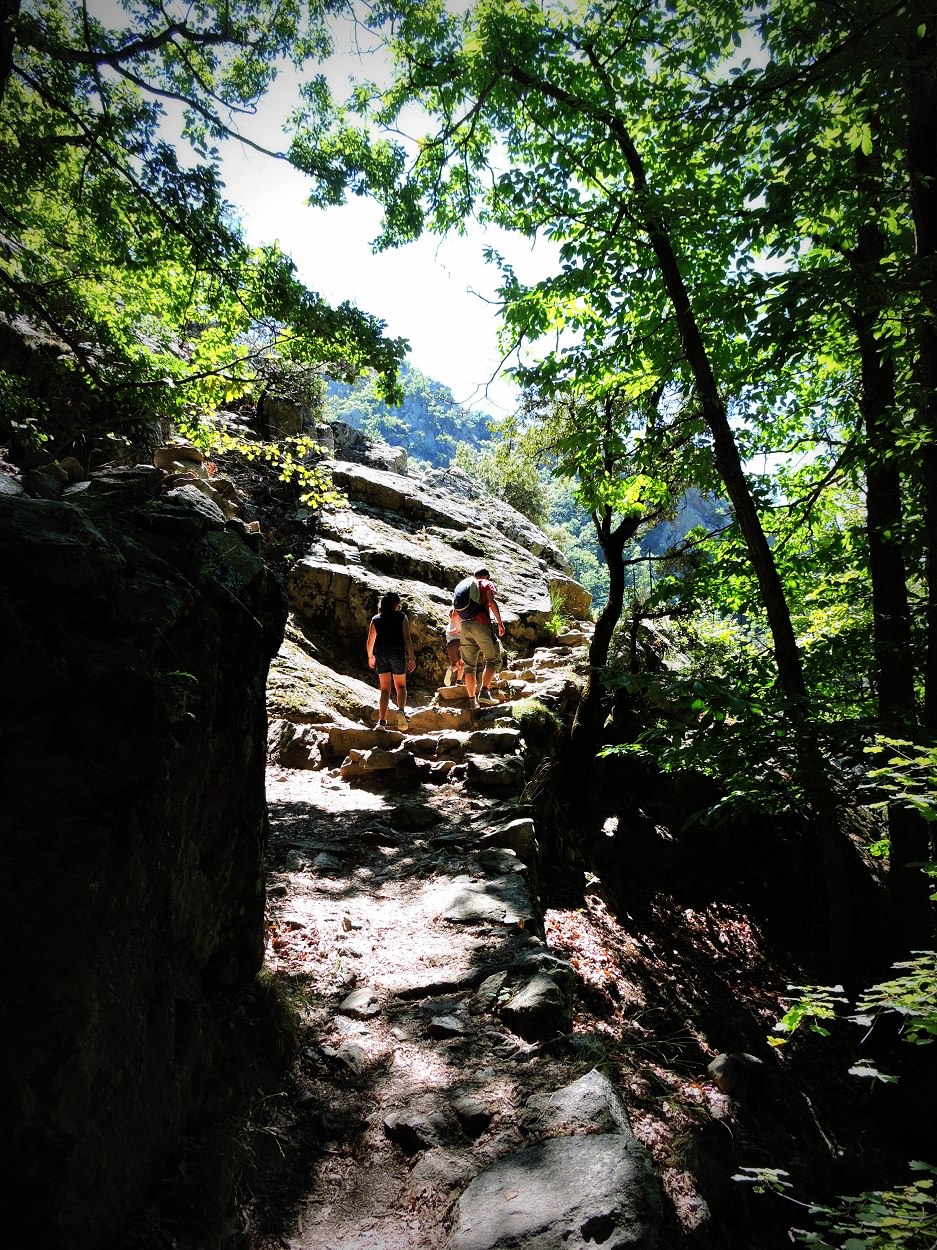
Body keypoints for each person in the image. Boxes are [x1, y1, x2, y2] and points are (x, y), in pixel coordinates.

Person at [365, 591, 416, 728]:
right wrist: (412, 657)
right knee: (401, 686)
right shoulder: (402, 617)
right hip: (397, 652)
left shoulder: (376, 619)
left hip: (381, 653)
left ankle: (381, 722)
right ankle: (401, 711)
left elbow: (370, 641)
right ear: (396, 604)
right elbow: (407, 639)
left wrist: (370, 656)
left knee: (385, 689)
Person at [458, 566, 505, 706]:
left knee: (469, 667)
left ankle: (472, 702)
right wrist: (500, 623)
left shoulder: (465, 587)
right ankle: (484, 692)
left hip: (465, 626)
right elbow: (491, 602)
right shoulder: (486, 583)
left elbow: (456, 611)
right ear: (486, 576)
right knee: (494, 659)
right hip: (481, 624)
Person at [444, 608, 465, 686]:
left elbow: (449, 634)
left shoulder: (449, 626)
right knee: (463, 663)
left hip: (451, 644)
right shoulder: (461, 623)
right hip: (462, 643)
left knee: (456, 665)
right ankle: (459, 681)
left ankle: (450, 670)